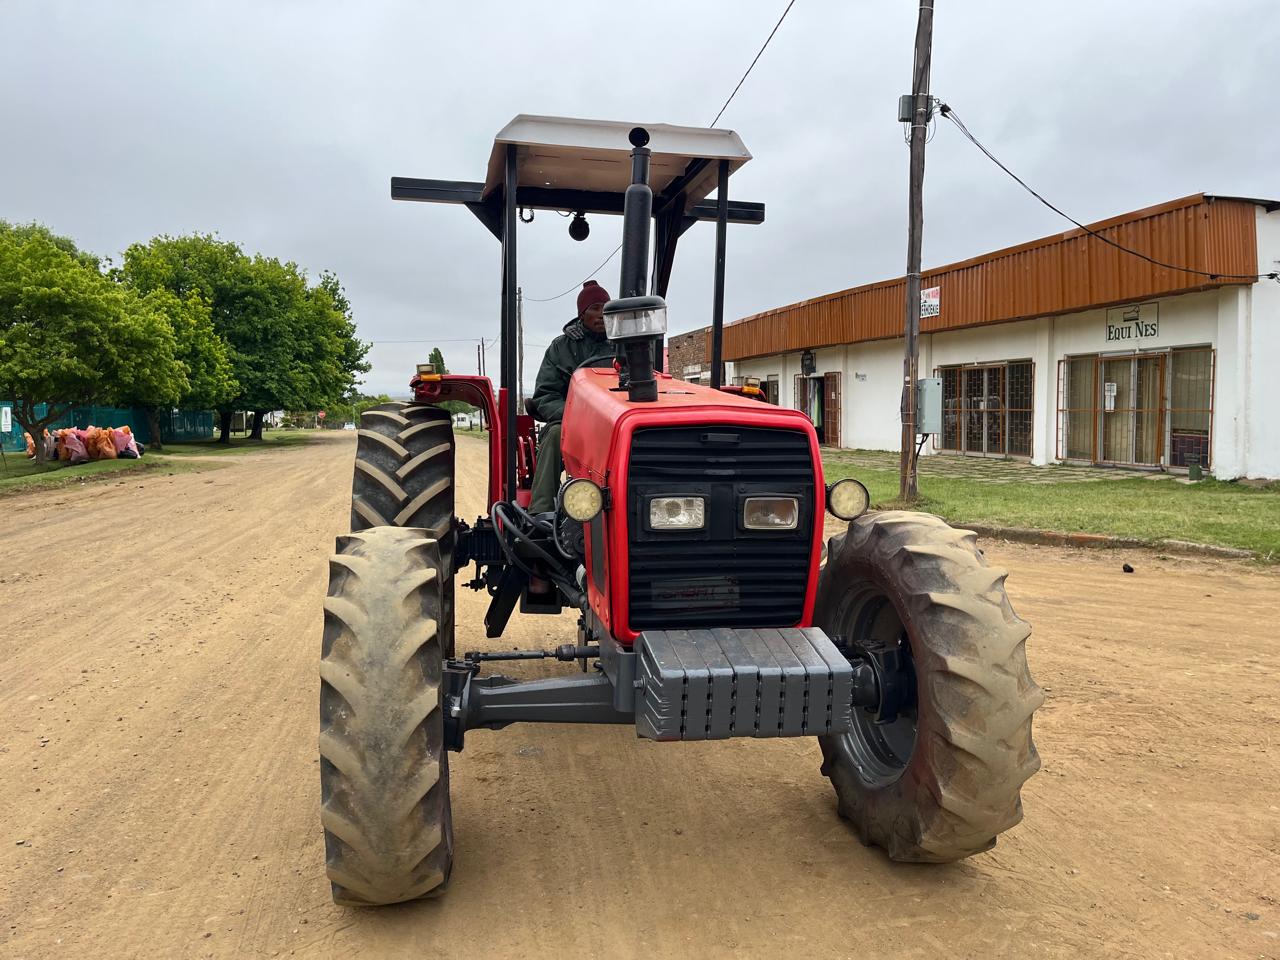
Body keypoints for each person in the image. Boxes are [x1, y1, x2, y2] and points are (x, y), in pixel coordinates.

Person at [529, 280, 616, 513]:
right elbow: (545, 395)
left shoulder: (623, 346)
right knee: (556, 434)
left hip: (614, 423)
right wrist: (574, 416)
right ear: (582, 314)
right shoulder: (561, 348)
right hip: (571, 423)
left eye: (606, 308)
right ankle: (540, 511)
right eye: (594, 308)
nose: (601, 314)